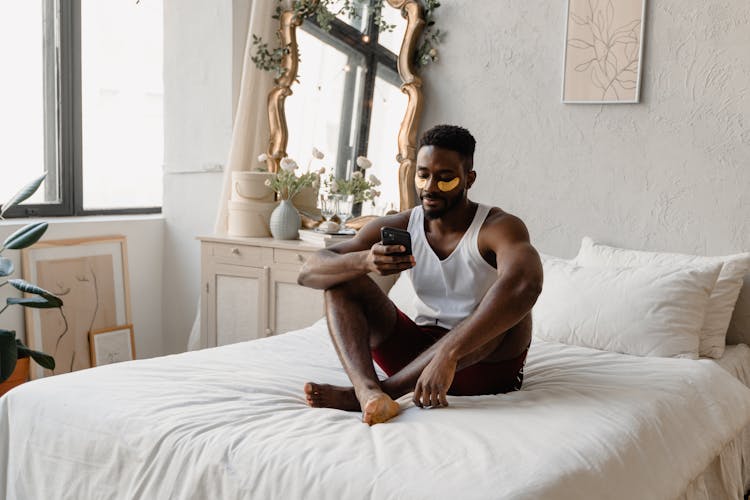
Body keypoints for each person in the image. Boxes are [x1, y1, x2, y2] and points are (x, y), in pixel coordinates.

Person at [297, 124, 543, 425]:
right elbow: (308, 272)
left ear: (469, 178)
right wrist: (364, 260)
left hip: (485, 366)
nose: (430, 187)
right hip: (417, 361)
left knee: (503, 307)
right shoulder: (402, 224)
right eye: (423, 175)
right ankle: (367, 392)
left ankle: (383, 391)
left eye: (445, 178)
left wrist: (449, 353)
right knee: (341, 279)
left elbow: (526, 284)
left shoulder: (498, 227)